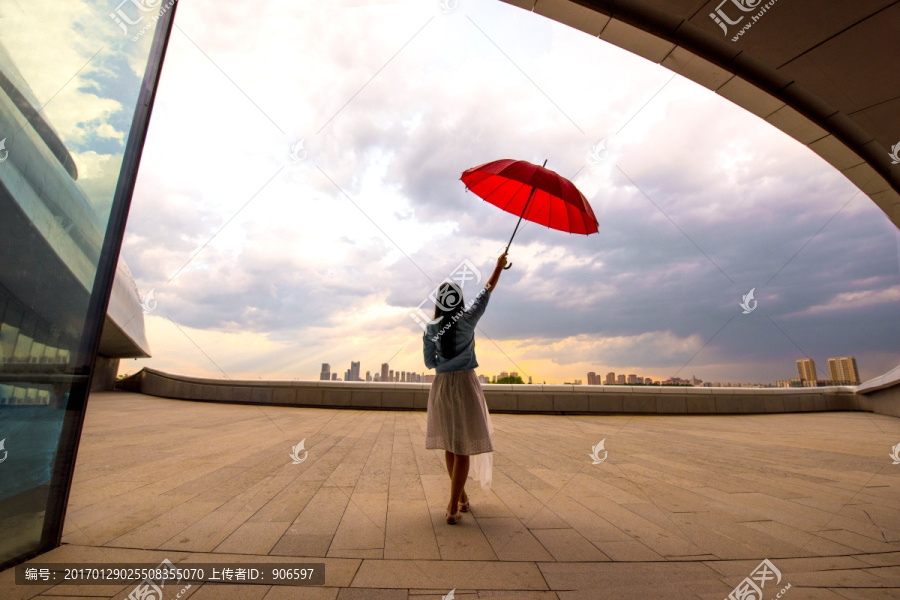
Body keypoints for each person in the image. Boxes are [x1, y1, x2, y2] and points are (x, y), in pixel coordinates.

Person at [423, 252, 508, 524]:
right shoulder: (468, 320)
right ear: (458, 302)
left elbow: (428, 362)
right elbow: (486, 291)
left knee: (451, 446)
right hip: (465, 385)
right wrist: (498, 267)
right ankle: (452, 506)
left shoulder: (431, 328)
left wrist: (443, 360)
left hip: (443, 387)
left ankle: (461, 498)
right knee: (463, 449)